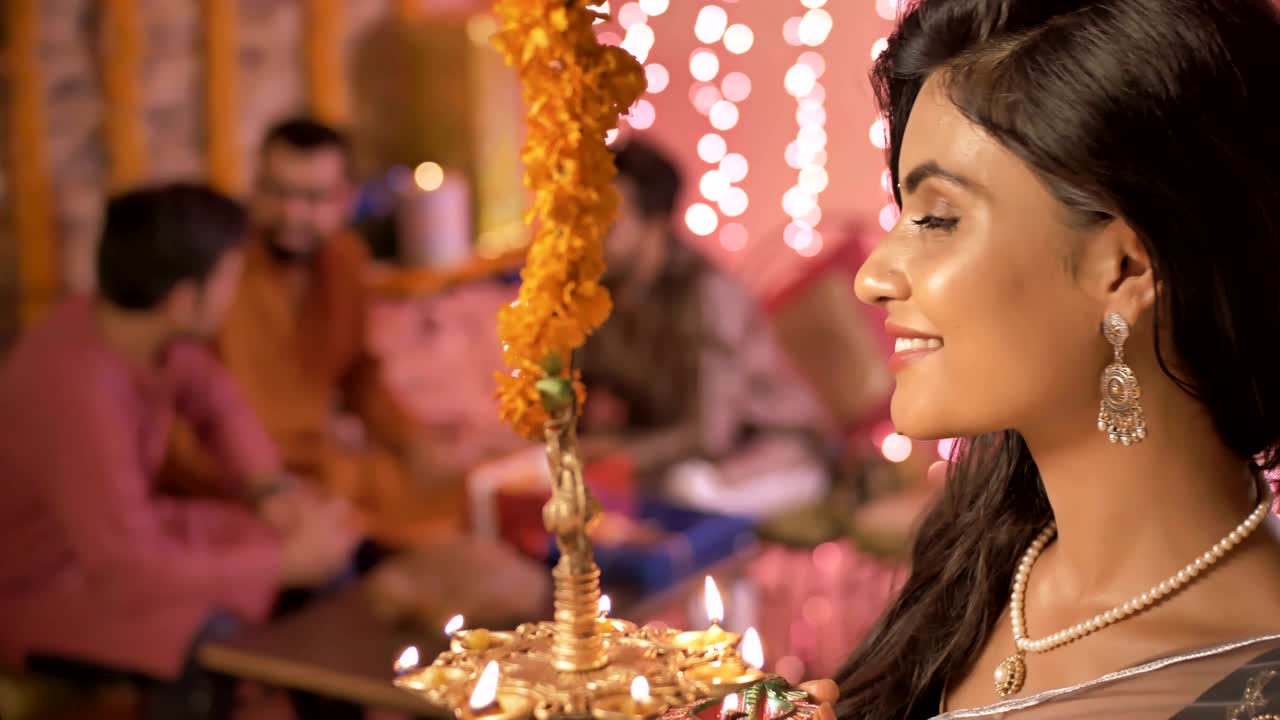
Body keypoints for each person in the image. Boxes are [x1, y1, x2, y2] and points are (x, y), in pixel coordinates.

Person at [831, 0, 1280, 717]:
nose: (873, 276)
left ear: (1127, 270)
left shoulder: (1251, 686)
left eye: (937, 219)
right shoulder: (976, 562)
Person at [0, 184, 358, 719]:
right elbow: (125, 568)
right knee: (209, 634)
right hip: (47, 585)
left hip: (120, 545)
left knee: (322, 559)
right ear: (185, 300)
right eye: (230, 278)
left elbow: (214, 399)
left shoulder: (131, 327)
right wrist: (282, 562)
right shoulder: (78, 395)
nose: (234, 293)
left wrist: (270, 490)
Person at [166, 117, 463, 548]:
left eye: (313, 198)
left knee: (455, 503)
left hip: (322, 469)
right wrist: (267, 488)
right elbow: (180, 424)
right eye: (276, 192)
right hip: (242, 481)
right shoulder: (219, 271)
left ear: (345, 200)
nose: (291, 214)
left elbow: (358, 376)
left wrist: (415, 442)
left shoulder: (345, 260)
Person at [579, 139, 832, 477]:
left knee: (687, 486)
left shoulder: (709, 295)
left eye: (609, 220)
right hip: (693, 460)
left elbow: (711, 434)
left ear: (656, 223)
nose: (592, 234)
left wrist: (618, 453)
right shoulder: (605, 294)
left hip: (773, 450)